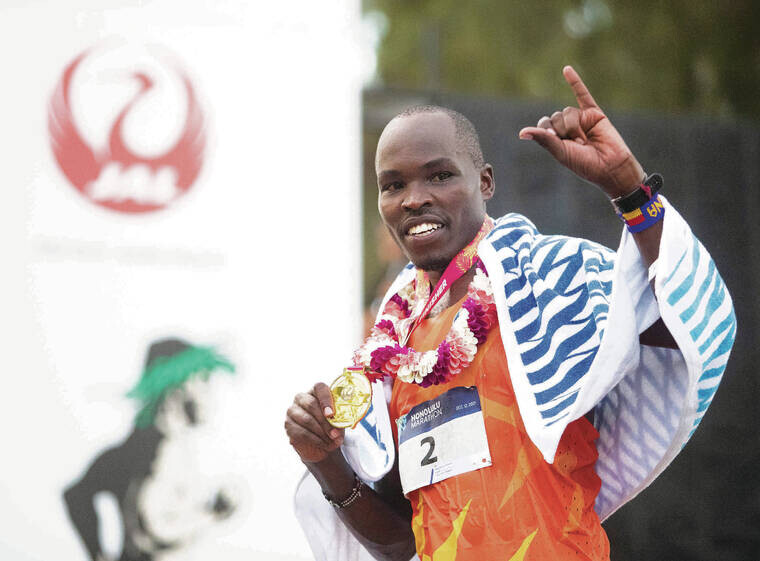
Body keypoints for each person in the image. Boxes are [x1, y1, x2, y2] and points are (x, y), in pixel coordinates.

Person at [284, 67, 735, 560]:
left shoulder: (551, 280)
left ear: (485, 182)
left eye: (440, 175)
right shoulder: (391, 349)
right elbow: (399, 543)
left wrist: (630, 189)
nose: (414, 199)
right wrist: (326, 461)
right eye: (393, 185)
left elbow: (683, 327)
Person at [64, 338, 238, 561]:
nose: (210, 393)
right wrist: (211, 514)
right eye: (203, 380)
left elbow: (76, 495)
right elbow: (156, 529)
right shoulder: (155, 452)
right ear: (177, 387)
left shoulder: (165, 448)